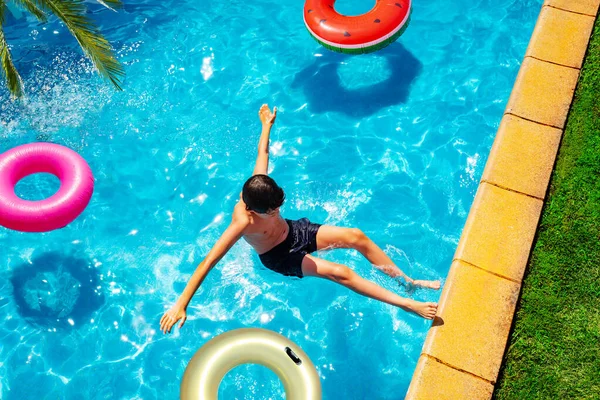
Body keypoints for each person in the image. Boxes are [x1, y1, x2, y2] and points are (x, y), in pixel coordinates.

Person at [160, 105, 439, 333]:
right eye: (272, 210)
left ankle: (408, 281)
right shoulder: (241, 223)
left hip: (295, 233)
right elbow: (209, 260)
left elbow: (263, 153)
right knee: (341, 273)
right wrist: (181, 303)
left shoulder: (260, 186)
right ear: (253, 210)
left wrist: (266, 125)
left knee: (356, 236)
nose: (277, 212)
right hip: (280, 257)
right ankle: (406, 304)